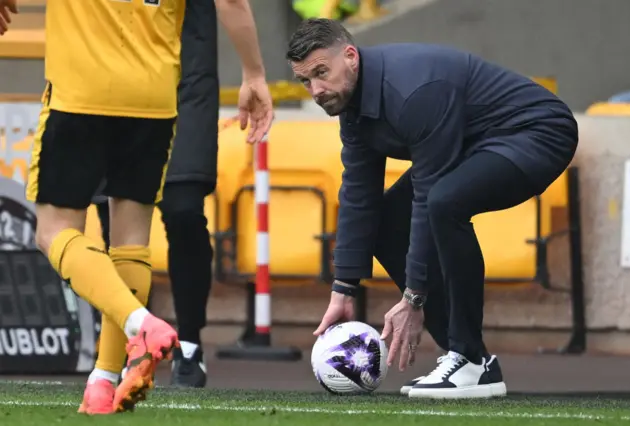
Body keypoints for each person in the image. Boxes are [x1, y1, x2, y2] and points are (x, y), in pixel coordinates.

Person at [0, 0, 272, 415]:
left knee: (52, 231)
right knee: (129, 241)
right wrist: (254, 73)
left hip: (82, 92)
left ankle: (138, 324)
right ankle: (103, 383)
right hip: (154, 97)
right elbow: (231, 2)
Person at [286, 18, 578, 399]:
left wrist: (413, 298)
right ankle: (472, 362)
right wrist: (344, 291)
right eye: (306, 81)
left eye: (322, 73)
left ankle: (468, 357)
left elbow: (428, 196)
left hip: (537, 132)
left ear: (351, 57)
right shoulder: (352, 108)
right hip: (473, 142)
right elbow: (360, 195)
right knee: (387, 221)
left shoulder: (413, 92)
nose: (317, 90)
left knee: (445, 201)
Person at [93, 0, 245, 389]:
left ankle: (190, 343)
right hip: (114, 80)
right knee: (115, 219)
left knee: (183, 210)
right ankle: (132, 341)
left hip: (185, 83)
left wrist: (255, 72)